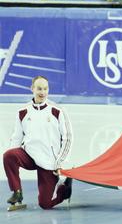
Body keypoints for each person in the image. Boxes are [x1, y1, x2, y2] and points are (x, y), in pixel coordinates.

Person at [3, 75, 73, 210]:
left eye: (45, 89)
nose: (42, 92)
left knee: (45, 204)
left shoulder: (57, 111)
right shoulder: (23, 112)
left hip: (49, 162)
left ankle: (65, 190)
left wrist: (59, 163)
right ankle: (17, 192)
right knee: (9, 155)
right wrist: (13, 157)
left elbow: (67, 138)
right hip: (29, 155)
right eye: (39, 89)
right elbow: (16, 138)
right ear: (32, 89)